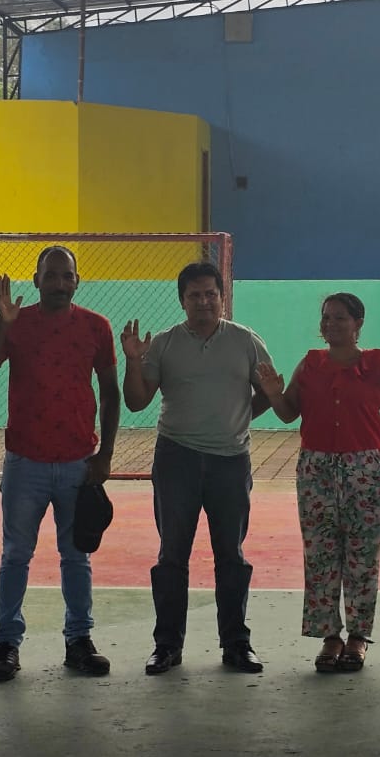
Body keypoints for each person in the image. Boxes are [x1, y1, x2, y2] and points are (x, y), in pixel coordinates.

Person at [0, 246, 120, 681]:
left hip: (78, 463)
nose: (58, 283)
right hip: (25, 463)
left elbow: (110, 392)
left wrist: (105, 455)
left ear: (77, 281)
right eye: (50, 276)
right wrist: (2, 323)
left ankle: (79, 640)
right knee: (16, 555)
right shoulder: (15, 323)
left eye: (66, 276)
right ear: (36, 281)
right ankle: (7, 644)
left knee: (76, 557)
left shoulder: (96, 326)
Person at [121, 261, 273, 675]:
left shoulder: (246, 342)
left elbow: (268, 391)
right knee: (172, 555)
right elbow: (136, 401)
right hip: (177, 460)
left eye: (211, 294)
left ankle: (236, 645)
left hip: (231, 461)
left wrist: (239, 418)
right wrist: (133, 361)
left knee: (231, 556)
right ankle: (167, 646)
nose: (204, 302)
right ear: (182, 301)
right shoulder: (164, 344)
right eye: (194, 295)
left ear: (223, 298)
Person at [256, 293, 380, 672]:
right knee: (321, 554)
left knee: (363, 556)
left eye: (340, 318)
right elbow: (288, 413)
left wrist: (370, 447)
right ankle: (330, 636)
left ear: (358, 324)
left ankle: (357, 636)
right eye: (326, 317)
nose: (331, 324)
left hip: (366, 472)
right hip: (316, 471)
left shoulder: (377, 365)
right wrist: (274, 394)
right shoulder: (310, 365)